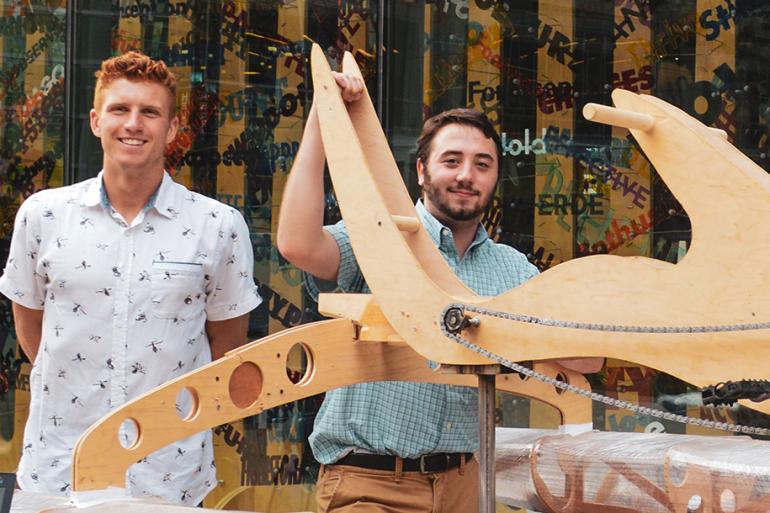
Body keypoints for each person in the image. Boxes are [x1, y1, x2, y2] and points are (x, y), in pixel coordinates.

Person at [276, 73, 603, 512]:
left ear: (495, 178)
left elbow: (589, 358)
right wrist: (322, 117)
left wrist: (503, 325)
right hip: (371, 483)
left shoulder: (512, 269)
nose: (466, 175)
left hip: (463, 486)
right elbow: (297, 243)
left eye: (482, 164)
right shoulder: (380, 240)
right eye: (452, 160)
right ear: (421, 169)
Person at [0, 51, 261, 505]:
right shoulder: (43, 216)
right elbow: (32, 333)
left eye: (150, 112)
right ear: (96, 120)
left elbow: (227, 349)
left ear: (173, 128)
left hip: (169, 475)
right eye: (120, 109)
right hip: (59, 471)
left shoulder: (217, 226)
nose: (134, 124)